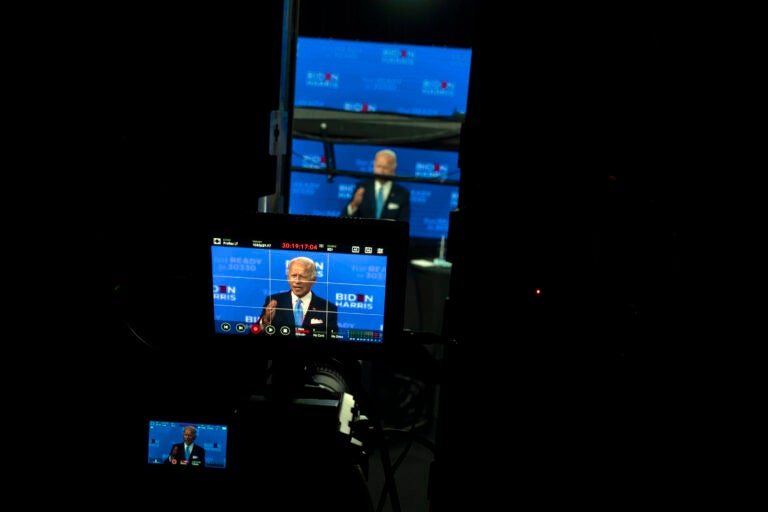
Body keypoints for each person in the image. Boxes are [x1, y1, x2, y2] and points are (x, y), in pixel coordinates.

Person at [259, 256, 339, 335]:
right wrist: (266, 320)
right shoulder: (274, 301)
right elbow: (254, 333)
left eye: (303, 276)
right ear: (288, 277)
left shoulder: (329, 308)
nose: (297, 281)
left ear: (313, 280)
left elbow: (332, 337)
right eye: (293, 276)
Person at [340, 148, 410, 221]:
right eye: (379, 166)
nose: (381, 171)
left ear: (394, 169)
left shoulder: (402, 194)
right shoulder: (362, 188)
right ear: (374, 166)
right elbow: (344, 216)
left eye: (385, 167)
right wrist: (354, 205)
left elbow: (404, 220)